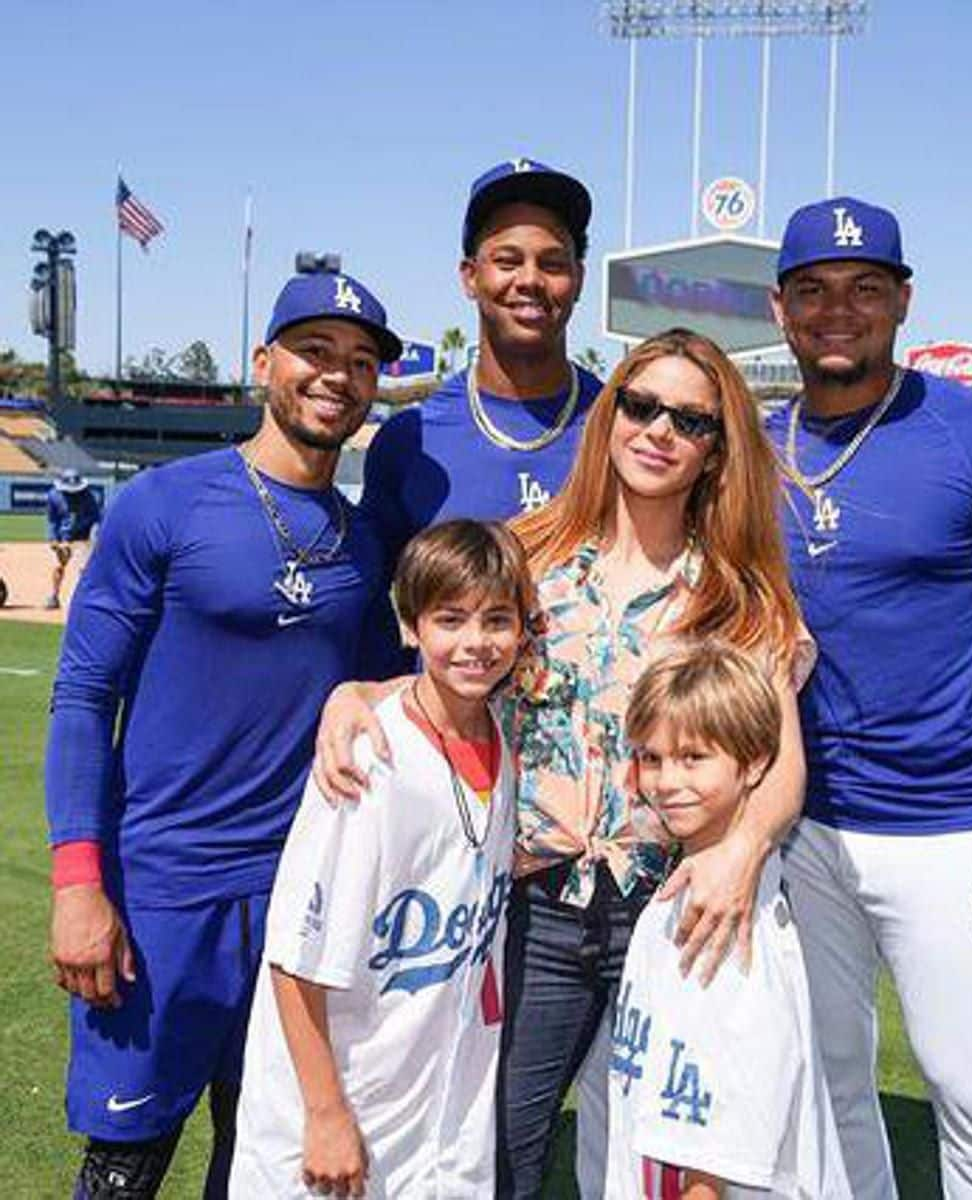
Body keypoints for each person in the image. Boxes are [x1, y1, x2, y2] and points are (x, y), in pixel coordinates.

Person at [317, 328, 811, 1198]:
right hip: (532, 907)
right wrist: (357, 693)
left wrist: (744, 849)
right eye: (642, 404)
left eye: (691, 421)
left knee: (672, 1166)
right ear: (609, 414)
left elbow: (781, 765)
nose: (660, 430)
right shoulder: (527, 554)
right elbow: (447, 667)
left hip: (679, 911)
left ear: (715, 450)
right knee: (499, 1152)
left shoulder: (741, 593)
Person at [44, 270, 405, 1200]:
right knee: (126, 1162)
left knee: (262, 1153)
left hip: (298, 897)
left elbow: (381, 697)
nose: (338, 376)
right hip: (165, 891)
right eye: (316, 352)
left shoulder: (364, 543)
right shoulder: (166, 504)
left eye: (361, 363)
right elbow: (84, 695)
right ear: (264, 363)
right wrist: (80, 884)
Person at [765, 196, 972, 1199]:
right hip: (800, 827)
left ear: (903, 302)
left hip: (954, 828)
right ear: (782, 309)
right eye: (814, 290)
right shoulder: (749, 445)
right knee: (824, 1085)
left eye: (865, 289)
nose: (838, 311)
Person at [230, 520, 531, 1198]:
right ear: (410, 625)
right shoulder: (366, 759)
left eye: (497, 619)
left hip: (433, 1101)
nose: (476, 643)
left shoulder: (503, 738)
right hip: (335, 1103)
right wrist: (326, 1114)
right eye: (450, 619)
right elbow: (294, 956)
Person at [607, 643, 850, 1200]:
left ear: (756, 763)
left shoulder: (728, 922)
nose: (668, 781)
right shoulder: (692, 885)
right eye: (651, 757)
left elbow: (725, 1147)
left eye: (694, 758)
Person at [359, 157, 600, 566]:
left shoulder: (624, 430)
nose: (529, 280)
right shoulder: (410, 441)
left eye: (553, 263)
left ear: (579, 279)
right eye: (507, 261)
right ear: (470, 277)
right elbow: (366, 611)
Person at [45, 467, 102, 610]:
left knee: (84, 569)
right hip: (64, 538)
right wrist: (53, 539)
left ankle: (83, 599)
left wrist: (93, 536)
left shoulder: (88, 496)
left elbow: (96, 518)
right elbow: (52, 520)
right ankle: (54, 596)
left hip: (83, 536)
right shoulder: (53, 496)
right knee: (58, 566)